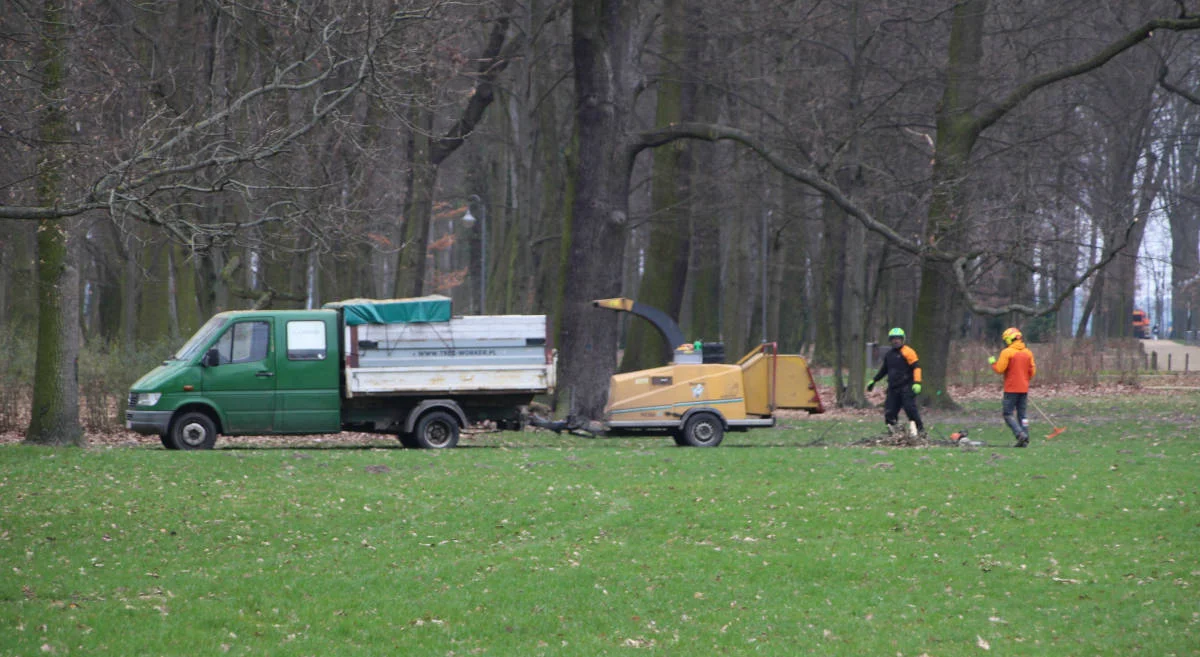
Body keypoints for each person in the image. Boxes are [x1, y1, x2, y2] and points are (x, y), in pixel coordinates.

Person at [866, 327, 924, 437]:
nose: (896, 340)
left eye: (898, 338)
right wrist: (874, 380)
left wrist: (917, 382)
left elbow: (916, 367)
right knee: (889, 412)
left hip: (907, 386)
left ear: (903, 340)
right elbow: (884, 370)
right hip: (893, 388)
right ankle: (894, 434)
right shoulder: (889, 355)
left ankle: (920, 431)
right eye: (893, 338)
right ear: (890, 340)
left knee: (910, 409)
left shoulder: (908, 352)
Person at [988, 327, 1037, 447]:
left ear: (1009, 339)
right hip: (1024, 388)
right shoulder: (1028, 352)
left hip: (1011, 389)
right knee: (1022, 415)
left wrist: (992, 362)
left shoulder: (1007, 352)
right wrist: (1024, 380)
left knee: (1008, 414)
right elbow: (1032, 371)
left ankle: (1020, 434)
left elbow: (1000, 369)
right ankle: (1025, 438)